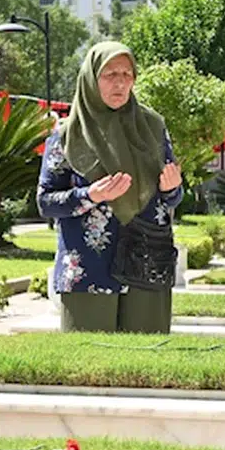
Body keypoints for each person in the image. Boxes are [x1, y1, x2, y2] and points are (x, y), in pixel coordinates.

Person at [37, 41, 182, 333]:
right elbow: (46, 202)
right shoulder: (67, 134)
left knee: (148, 365)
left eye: (127, 74)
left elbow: (170, 198)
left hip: (147, 262)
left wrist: (173, 189)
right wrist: (90, 195)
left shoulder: (153, 126)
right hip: (88, 270)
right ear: (91, 79)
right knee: (89, 365)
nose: (120, 83)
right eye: (109, 74)